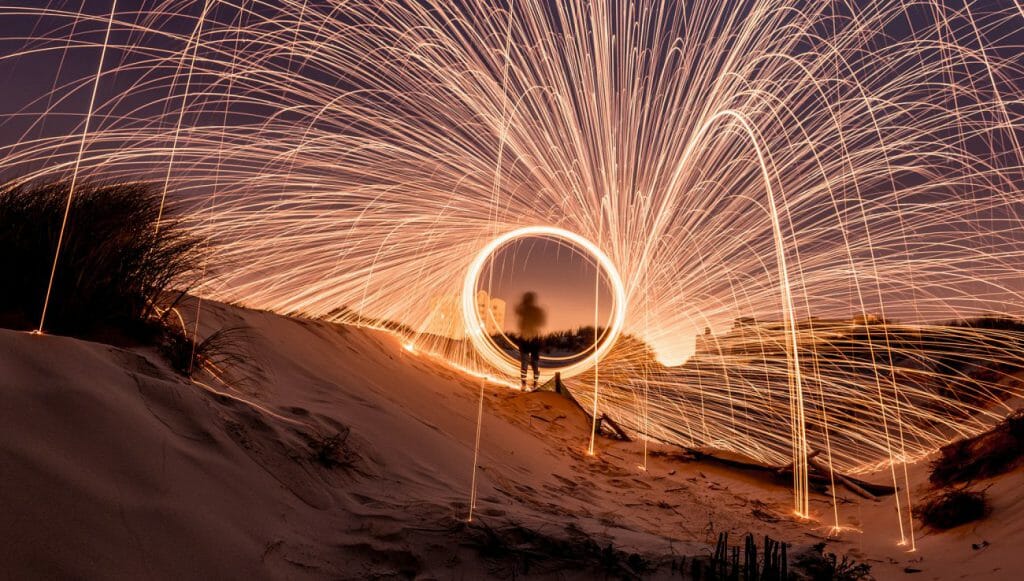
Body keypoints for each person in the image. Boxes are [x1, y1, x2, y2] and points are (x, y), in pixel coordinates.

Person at [514, 291, 546, 390]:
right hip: (532, 340)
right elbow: (542, 322)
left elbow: (517, 310)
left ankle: (525, 384)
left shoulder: (525, 310)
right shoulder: (535, 310)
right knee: (534, 364)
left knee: (525, 363)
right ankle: (534, 385)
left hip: (527, 339)